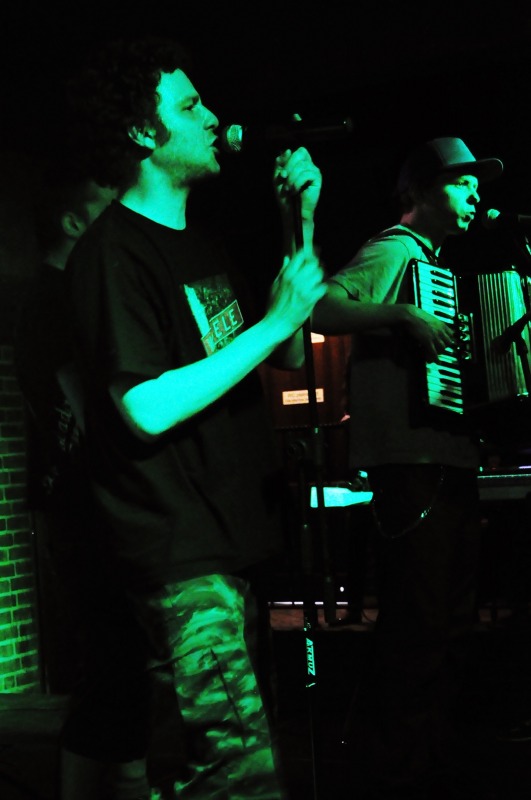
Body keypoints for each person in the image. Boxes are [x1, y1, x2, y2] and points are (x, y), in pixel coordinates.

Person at [61, 35, 326, 800]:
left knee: (216, 766)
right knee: (235, 775)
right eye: (188, 105)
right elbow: (144, 407)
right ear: (141, 131)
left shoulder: (203, 244)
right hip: (178, 554)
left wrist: (298, 223)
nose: (212, 116)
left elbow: (287, 357)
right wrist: (272, 326)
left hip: (229, 540)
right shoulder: (113, 254)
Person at [311, 136, 503, 800]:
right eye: (460, 182)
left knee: (448, 623)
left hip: (445, 457)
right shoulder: (395, 249)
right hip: (409, 463)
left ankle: (429, 758)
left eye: (476, 184)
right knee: (419, 625)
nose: (474, 194)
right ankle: (398, 771)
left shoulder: (437, 265)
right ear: (418, 191)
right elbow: (322, 306)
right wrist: (400, 313)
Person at [13, 159, 158, 800]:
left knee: (116, 669)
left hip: (79, 507)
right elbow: (81, 404)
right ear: (75, 223)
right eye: (103, 205)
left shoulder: (53, 297)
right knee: (113, 667)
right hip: (85, 511)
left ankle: (124, 781)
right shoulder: (56, 299)